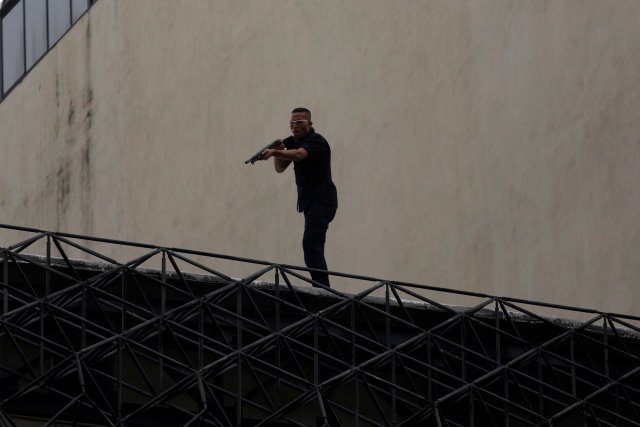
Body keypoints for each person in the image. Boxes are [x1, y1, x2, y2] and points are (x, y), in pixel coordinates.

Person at [262, 107, 338, 287]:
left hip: (323, 200)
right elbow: (280, 168)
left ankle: (322, 289)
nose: (295, 126)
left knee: (311, 243)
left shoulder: (315, 141)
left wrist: (274, 152)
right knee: (313, 244)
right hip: (310, 203)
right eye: (292, 123)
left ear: (310, 124)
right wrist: (278, 150)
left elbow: (299, 154)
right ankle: (321, 287)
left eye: (299, 123)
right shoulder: (293, 142)